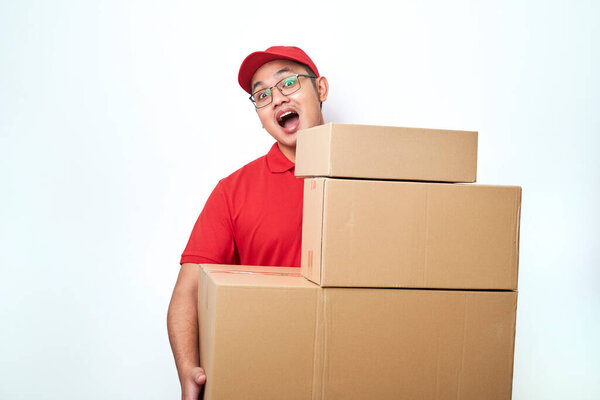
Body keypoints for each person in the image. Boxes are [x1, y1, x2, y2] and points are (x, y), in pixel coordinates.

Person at [166, 46, 329, 400]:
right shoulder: (234, 191)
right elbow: (189, 289)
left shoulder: (372, 177)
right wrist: (187, 370)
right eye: (262, 94)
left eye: (288, 82)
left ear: (321, 90)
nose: (276, 98)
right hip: (264, 374)